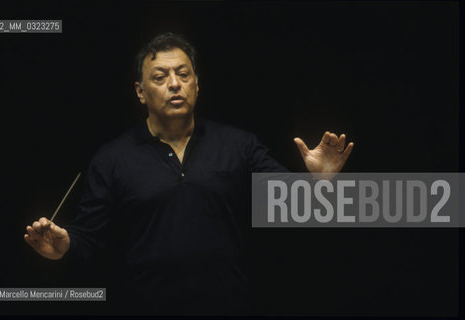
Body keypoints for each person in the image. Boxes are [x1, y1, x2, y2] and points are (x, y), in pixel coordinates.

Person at [24, 32, 353, 315]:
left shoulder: (239, 145)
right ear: (140, 91)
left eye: (183, 74)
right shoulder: (112, 158)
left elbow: (292, 208)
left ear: (197, 85)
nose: (174, 84)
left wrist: (319, 184)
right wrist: (65, 245)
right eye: (160, 77)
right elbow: (90, 238)